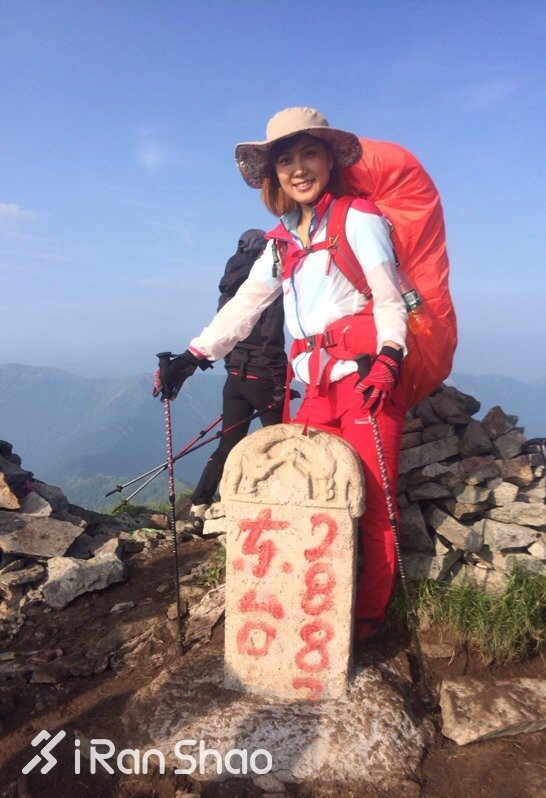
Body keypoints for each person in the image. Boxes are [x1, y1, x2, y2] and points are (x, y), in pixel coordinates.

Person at [154, 107, 408, 642]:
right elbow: (245, 306)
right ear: (274, 175)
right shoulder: (283, 241)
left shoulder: (358, 219)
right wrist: (193, 356)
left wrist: (389, 355)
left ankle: (366, 614)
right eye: (284, 159)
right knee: (309, 493)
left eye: (307, 153)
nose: (297, 168)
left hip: (363, 381)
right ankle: (315, 599)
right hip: (312, 389)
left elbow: (390, 298)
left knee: (374, 508)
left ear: (329, 160)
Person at [183, 229, 288, 534]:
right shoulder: (265, 283)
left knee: (228, 442)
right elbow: (270, 337)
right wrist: (279, 381)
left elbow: (227, 333)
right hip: (263, 377)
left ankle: (199, 505)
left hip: (234, 377)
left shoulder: (229, 288)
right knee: (284, 442)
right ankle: (278, 503)